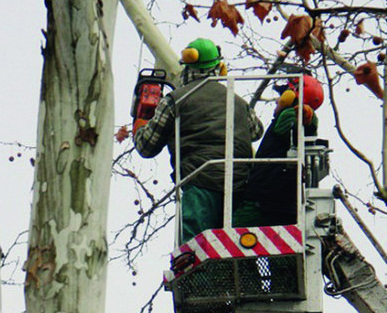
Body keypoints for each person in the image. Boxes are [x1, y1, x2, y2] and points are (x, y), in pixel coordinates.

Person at [132, 38, 263, 244]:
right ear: (220, 68)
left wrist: (139, 121)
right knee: (237, 249)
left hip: (200, 184)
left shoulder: (175, 100)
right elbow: (257, 132)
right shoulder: (238, 102)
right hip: (239, 186)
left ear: (187, 65)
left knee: (196, 253)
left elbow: (146, 146)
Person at [233, 74, 324, 227]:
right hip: (283, 204)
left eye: (282, 95)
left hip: (263, 201)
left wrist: (307, 115)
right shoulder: (292, 116)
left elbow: (302, 125)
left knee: (232, 234)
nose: (277, 100)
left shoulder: (290, 114)